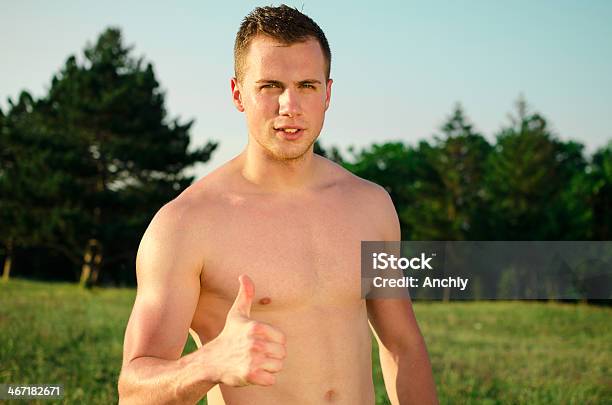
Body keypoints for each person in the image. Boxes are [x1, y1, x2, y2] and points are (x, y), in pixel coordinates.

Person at [118, 4, 438, 404]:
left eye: (307, 85)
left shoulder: (371, 206)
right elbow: (133, 392)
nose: (290, 105)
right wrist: (208, 363)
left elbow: (403, 347)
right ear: (238, 94)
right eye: (270, 86)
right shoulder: (185, 224)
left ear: (328, 93)